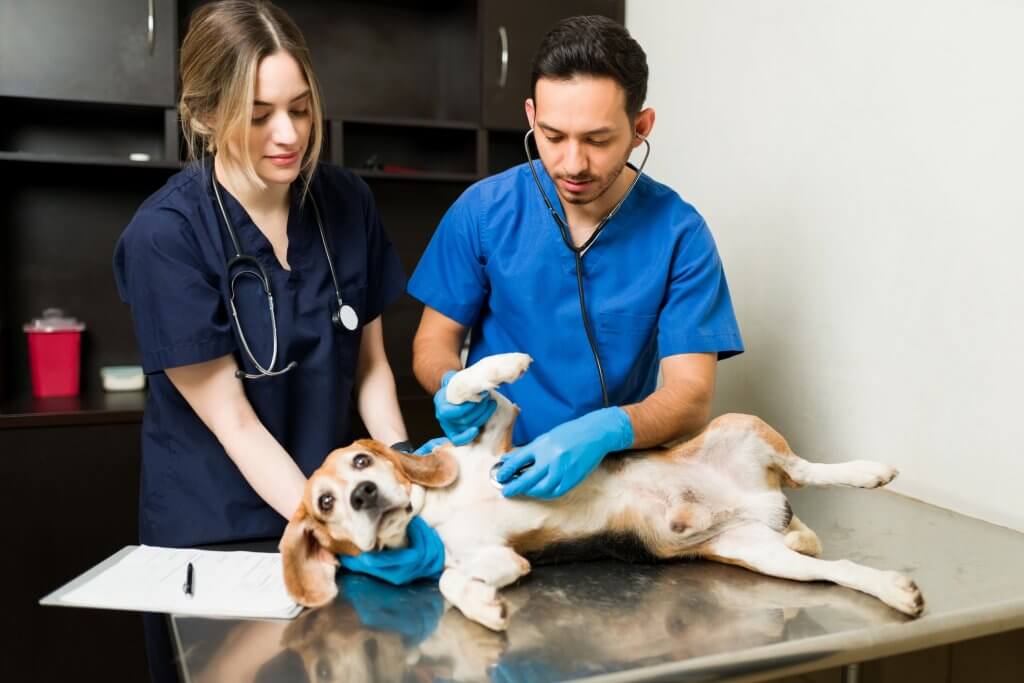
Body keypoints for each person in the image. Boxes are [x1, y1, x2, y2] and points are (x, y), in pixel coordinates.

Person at [113, 2, 438, 679]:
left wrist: (407, 479)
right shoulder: (166, 237)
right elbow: (234, 424)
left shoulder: (346, 203)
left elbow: (371, 367)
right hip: (217, 534)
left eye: (301, 107)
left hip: (335, 519)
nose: (288, 134)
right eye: (258, 115)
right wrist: (333, 527)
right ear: (204, 116)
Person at [409, 15, 744, 499]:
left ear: (640, 127)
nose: (572, 164)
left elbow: (690, 397)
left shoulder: (681, 235)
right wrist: (451, 385)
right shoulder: (482, 212)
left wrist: (606, 430)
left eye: (597, 140)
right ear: (530, 116)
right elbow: (432, 341)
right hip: (492, 467)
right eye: (553, 135)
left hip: (612, 478)